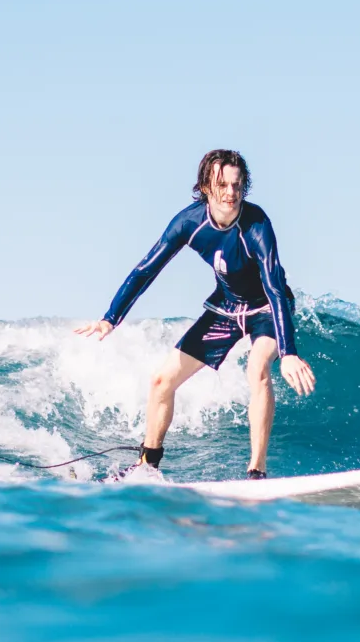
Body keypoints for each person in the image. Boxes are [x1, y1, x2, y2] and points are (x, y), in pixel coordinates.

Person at [75, 149, 316, 480]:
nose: (230, 193)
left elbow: (275, 287)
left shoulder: (257, 225)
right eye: (222, 185)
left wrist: (288, 354)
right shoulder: (190, 222)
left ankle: (257, 471)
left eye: (237, 185)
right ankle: (148, 465)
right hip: (226, 307)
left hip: (266, 309)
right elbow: (146, 270)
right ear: (205, 186)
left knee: (257, 368)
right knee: (161, 380)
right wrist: (110, 318)